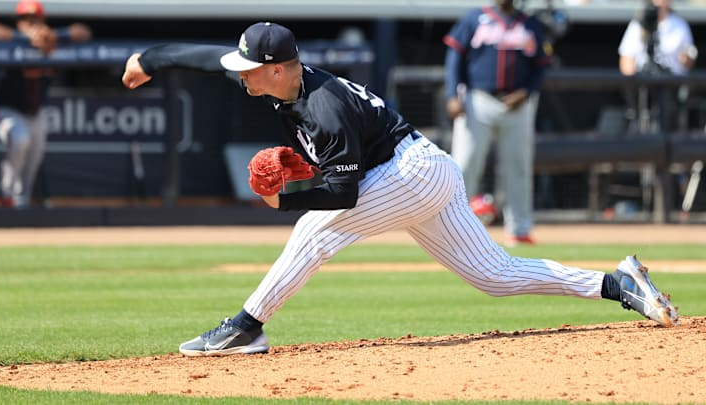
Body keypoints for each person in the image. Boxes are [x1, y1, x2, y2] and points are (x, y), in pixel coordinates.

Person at [121, 22, 679, 357]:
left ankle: (246, 328)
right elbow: (201, 57)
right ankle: (616, 283)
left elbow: (341, 193)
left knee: (314, 229)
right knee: (495, 276)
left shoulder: (323, 107)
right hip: (420, 170)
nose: (240, 73)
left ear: (277, 68)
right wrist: (149, 59)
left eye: (250, 67)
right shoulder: (281, 80)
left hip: (411, 173)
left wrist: (281, 199)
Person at [442, 0, 552, 246]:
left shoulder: (529, 24)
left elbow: (541, 66)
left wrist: (527, 91)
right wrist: (452, 94)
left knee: (518, 166)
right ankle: (451, 227)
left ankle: (519, 228)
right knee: (464, 164)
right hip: (477, 99)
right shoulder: (475, 18)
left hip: (518, 103)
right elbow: (454, 58)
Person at [0, 0, 92, 208]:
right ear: (19, 22)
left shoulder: (51, 40)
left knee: (35, 154)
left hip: (36, 111)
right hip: (7, 109)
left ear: (43, 20)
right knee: (19, 139)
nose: (32, 23)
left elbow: (84, 32)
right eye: (27, 19)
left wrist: (55, 36)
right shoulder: (11, 40)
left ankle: (22, 203)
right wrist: (24, 38)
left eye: (36, 18)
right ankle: (6, 194)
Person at [618, 0, 697, 77]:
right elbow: (626, 60)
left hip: (672, 82)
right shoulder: (638, 24)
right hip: (643, 82)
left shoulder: (680, 25)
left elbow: (689, 58)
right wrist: (633, 84)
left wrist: (686, 59)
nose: (662, 2)